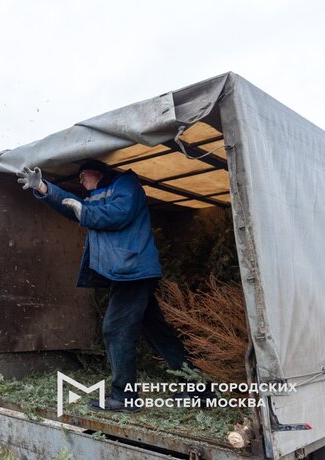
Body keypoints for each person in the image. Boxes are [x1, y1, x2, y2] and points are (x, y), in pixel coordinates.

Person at [17, 160, 195, 413]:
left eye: (82, 175)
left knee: (115, 329)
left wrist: (84, 211)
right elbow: (73, 206)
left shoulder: (126, 184)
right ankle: (198, 386)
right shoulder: (96, 197)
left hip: (133, 270)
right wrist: (46, 189)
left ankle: (124, 397)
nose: (80, 181)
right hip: (127, 272)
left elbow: (119, 213)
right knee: (157, 331)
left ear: (97, 172)